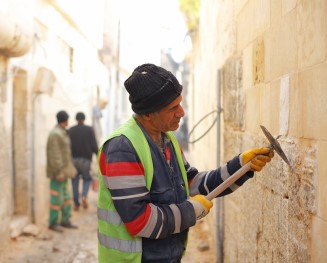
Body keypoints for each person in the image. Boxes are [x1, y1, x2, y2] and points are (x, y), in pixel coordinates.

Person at [96, 63, 274, 262]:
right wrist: (191, 211)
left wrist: (240, 167)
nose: (181, 112)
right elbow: (140, 221)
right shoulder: (122, 148)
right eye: (173, 108)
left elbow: (193, 183)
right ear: (147, 114)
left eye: (180, 104)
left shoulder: (167, 139)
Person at [46, 110, 78, 232]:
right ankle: (53, 223)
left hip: (65, 172)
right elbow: (55, 154)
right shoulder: (55, 134)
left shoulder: (62, 133)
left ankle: (65, 220)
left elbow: (66, 154)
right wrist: (58, 171)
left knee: (66, 197)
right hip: (58, 173)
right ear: (64, 120)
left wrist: (72, 168)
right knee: (56, 199)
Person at [69, 112, 99, 211]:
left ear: (76, 119)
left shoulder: (71, 130)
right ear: (84, 119)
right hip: (86, 160)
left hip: (74, 160)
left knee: (75, 181)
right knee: (87, 179)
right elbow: (94, 145)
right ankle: (84, 196)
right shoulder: (89, 130)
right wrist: (98, 154)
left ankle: (76, 204)